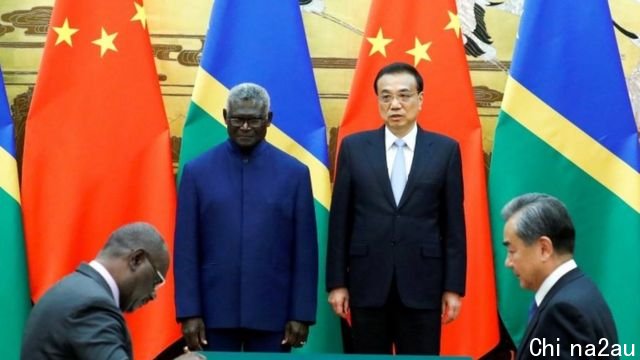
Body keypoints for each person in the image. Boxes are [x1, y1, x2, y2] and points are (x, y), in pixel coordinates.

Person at [326, 62, 466, 355]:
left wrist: (453, 288)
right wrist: (337, 283)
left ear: (420, 99)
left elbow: (453, 227)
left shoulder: (445, 150)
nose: (395, 104)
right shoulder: (354, 148)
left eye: (404, 95)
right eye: (386, 96)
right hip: (367, 284)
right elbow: (340, 222)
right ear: (377, 101)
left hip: (422, 285)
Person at [174, 83, 318, 352]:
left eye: (254, 120)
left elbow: (305, 252)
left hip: (273, 313)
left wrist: (301, 314)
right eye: (238, 119)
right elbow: (186, 250)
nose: (245, 127)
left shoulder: (295, 174)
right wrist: (189, 312)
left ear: (269, 120)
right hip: (212, 314)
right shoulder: (197, 172)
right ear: (225, 117)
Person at [20, 222, 203, 360]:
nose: (153, 294)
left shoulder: (76, 289)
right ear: (136, 259)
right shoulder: (90, 305)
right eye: (157, 281)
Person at [501, 193, 618, 360]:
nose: (508, 262)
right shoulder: (583, 290)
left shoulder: (563, 312)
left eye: (512, 251)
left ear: (544, 248)